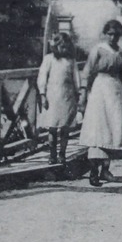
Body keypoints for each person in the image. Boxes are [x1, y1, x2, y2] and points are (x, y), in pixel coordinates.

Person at [78, 19, 122, 187]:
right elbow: (87, 71)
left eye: (116, 35)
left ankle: (106, 169)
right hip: (100, 90)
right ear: (105, 34)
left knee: (115, 128)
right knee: (99, 129)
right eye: (110, 34)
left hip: (116, 91)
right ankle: (94, 172)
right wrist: (83, 93)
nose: (113, 38)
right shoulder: (98, 50)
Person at [35, 31, 80, 167]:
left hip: (67, 97)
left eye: (66, 47)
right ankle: (52, 154)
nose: (64, 49)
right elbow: (42, 77)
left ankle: (62, 154)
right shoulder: (49, 59)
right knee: (52, 128)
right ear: (56, 46)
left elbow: (76, 79)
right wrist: (43, 95)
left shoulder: (71, 61)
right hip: (52, 97)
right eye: (61, 47)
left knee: (65, 128)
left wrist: (79, 94)